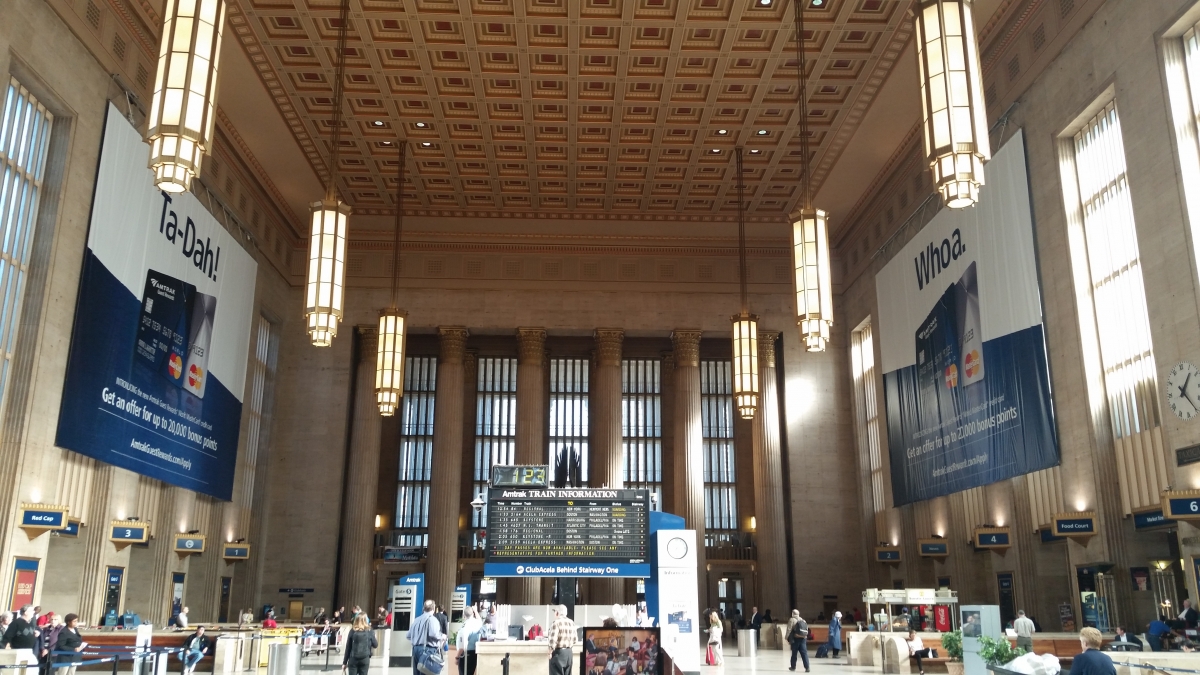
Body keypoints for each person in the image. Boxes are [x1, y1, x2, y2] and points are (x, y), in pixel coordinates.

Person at [406, 600, 444, 675]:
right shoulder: (432, 619)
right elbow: (433, 634)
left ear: (423, 608)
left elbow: (408, 635)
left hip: (416, 650)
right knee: (427, 672)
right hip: (428, 650)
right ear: (433, 608)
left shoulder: (416, 620)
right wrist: (442, 636)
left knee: (417, 673)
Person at [547, 605, 577, 675]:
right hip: (569, 653)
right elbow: (575, 640)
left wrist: (549, 652)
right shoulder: (572, 623)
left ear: (557, 613)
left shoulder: (556, 623)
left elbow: (553, 640)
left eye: (554, 612)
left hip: (558, 654)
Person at [457, 608, 483, 675]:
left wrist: (457, 656)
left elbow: (462, 645)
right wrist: (475, 610)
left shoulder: (465, 626)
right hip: (474, 653)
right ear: (473, 614)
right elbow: (480, 620)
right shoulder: (477, 623)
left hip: (465, 655)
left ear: (464, 615)